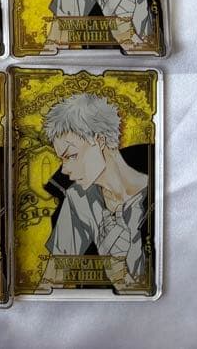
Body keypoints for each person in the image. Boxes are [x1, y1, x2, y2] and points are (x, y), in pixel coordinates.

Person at [41, 93, 150, 289]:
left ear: (99, 140)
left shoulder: (157, 195)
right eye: (61, 159)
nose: (64, 170)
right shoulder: (79, 197)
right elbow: (51, 280)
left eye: (71, 156)